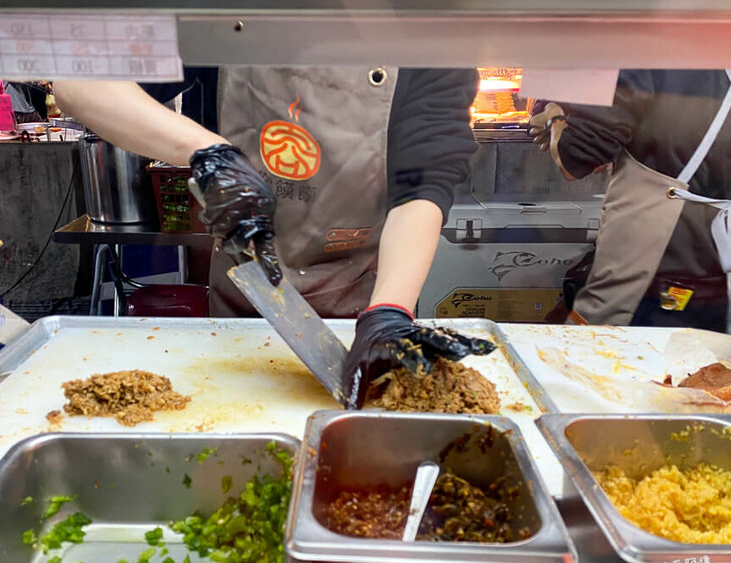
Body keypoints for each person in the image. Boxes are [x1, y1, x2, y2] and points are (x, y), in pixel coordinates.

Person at [55, 67, 493, 406]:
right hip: (244, 295)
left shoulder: (432, 21)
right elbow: (80, 82)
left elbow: (425, 178)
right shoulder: (229, 10)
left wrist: (389, 311)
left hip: (366, 297)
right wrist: (208, 151)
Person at [530, 70, 731, 334]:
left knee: (612, 358)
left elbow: (577, 155)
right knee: (702, 357)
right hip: (728, 256)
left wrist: (554, 117)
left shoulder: (649, 46)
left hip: (655, 260)